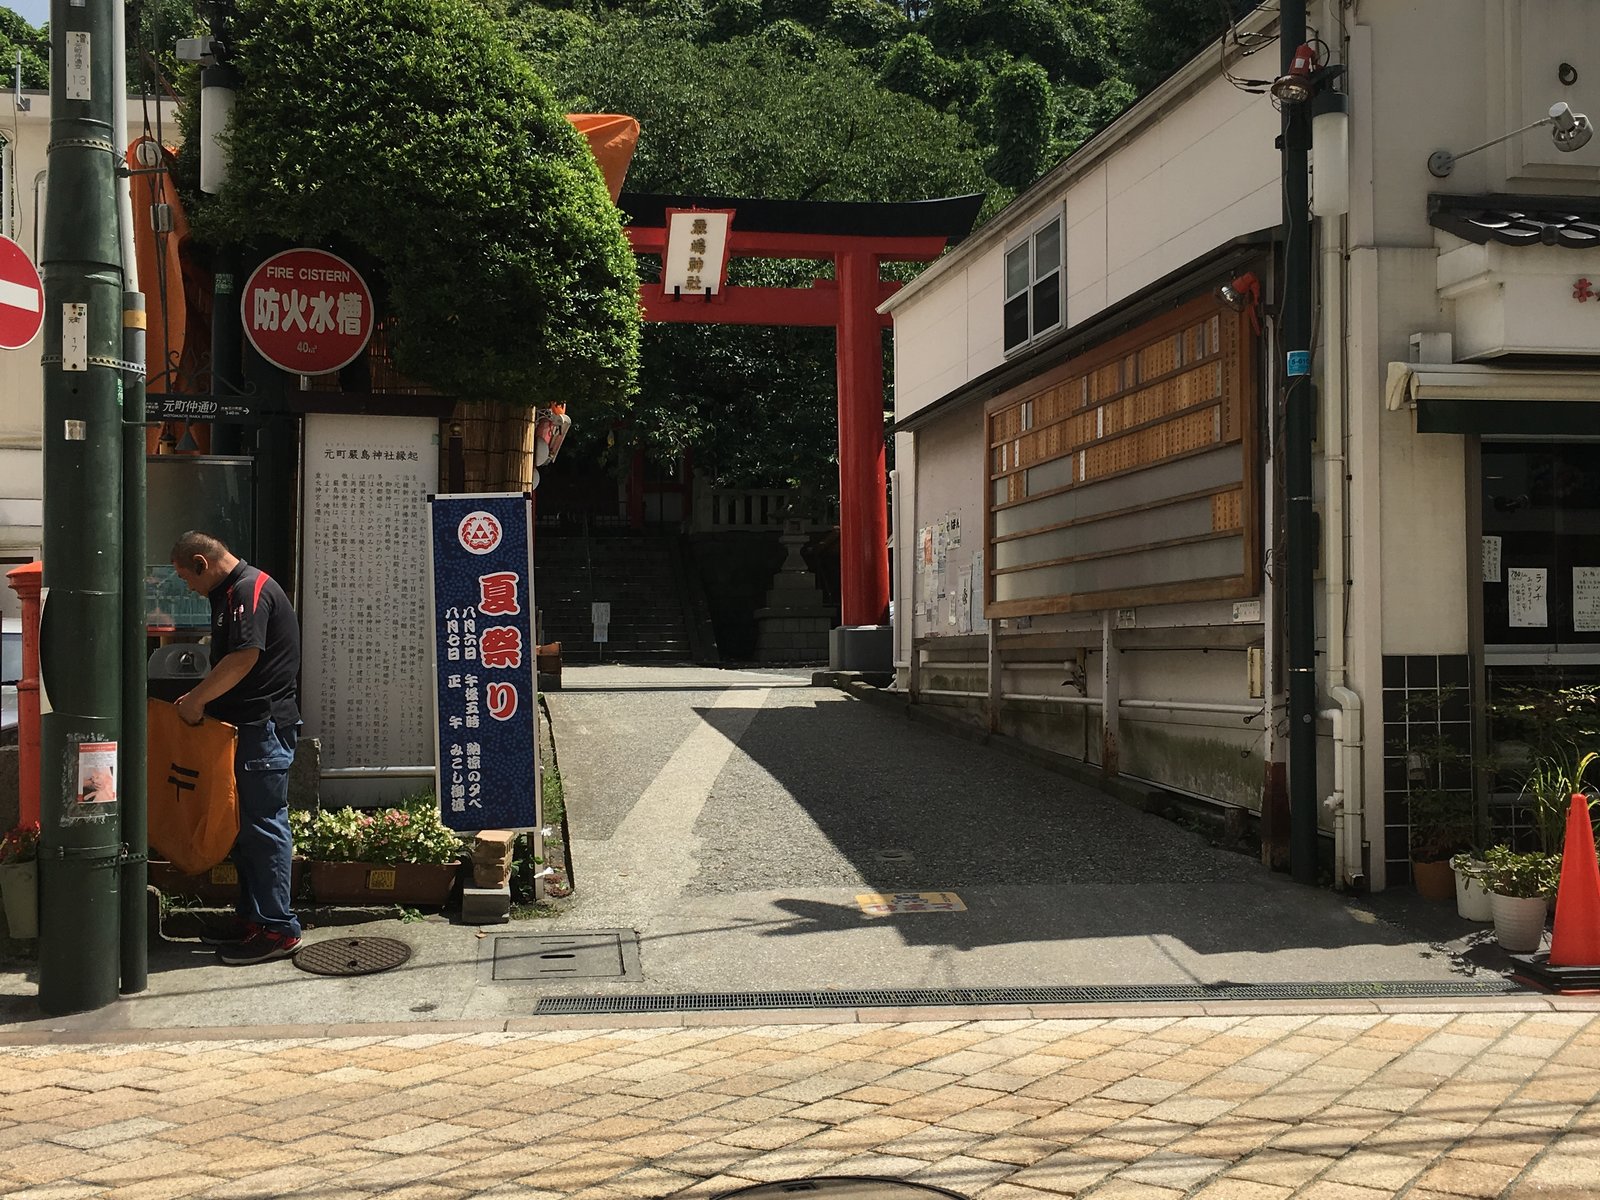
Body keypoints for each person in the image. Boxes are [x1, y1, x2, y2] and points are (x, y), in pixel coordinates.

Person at [171, 531, 304, 964]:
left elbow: (244, 656)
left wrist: (197, 699)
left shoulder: (250, 588)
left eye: (185, 577)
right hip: (244, 728)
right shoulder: (232, 591)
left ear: (201, 562)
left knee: (262, 827)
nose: (187, 587)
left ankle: (278, 929)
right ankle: (254, 920)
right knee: (245, 828)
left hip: (261, 727)